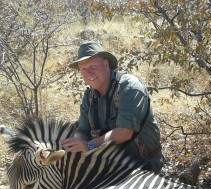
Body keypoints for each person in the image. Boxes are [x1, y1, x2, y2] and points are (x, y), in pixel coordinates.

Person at [62, 41, 164, 172]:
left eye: (93, 66)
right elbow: (82, 129)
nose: (89, 72)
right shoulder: (89, 95)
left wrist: (89, 145)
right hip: (110, 164)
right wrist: (76, 143)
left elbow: (125, 132)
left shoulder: (129, 87)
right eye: (84, 69)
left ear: (106, 64)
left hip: (143, 164)